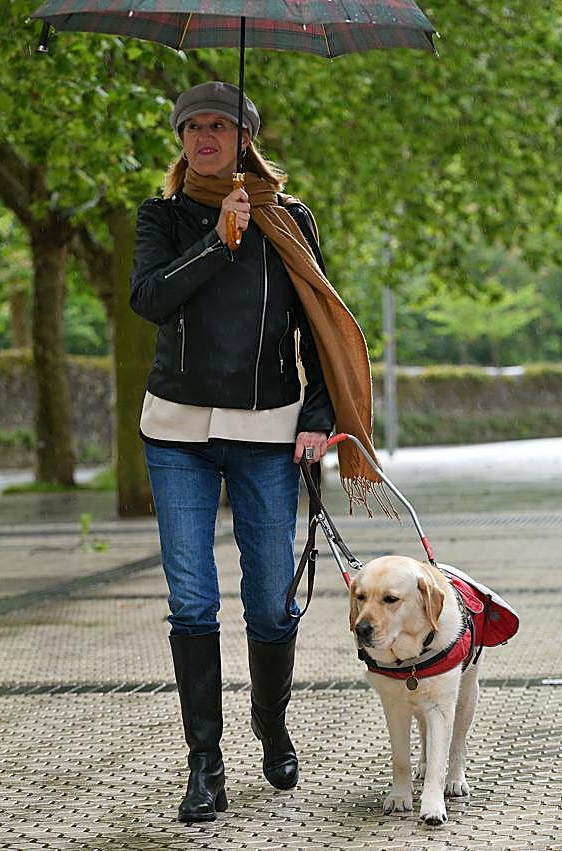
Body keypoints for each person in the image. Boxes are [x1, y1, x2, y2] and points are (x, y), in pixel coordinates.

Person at [130, 81, 385, 823]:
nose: (206, 137)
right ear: (180, 138)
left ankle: (271, 724)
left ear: (246, 137)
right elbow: (149, 300)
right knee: (192, 600)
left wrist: (318, 413)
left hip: (269, 430)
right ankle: (204, 764)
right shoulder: (164, 217)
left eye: (221, 126)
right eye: (194, 127)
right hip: (175, 429)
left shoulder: (290, 219)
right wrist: (218, 242)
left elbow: (319, 325)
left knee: (272, 601)